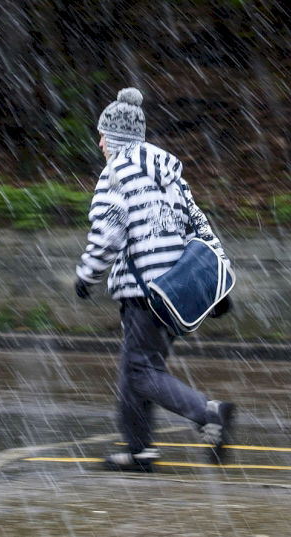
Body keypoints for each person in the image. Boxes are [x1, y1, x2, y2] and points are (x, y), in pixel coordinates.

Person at [73, 87, 236, 472]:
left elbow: (107, 235)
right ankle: (139, 451)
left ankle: (208, 413)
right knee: (137, 369)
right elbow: (200, 226)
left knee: (142, 371)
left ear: (113, 138)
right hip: (177, 291)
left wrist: (86, 275)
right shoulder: (171, 176)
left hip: (142, 290)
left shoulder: (116, 175)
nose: (99, 142)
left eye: (102, 134)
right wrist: (220, 281)